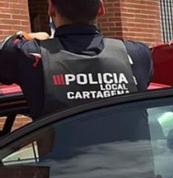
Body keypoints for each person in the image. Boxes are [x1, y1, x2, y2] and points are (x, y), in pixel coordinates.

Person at [0, 0, 151, 119]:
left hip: (63, 159)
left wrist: (25, 36)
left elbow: (6, 48)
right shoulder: (137, 55)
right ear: (101, 9)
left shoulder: (31, 56)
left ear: (51, 9)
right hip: (134, 158)